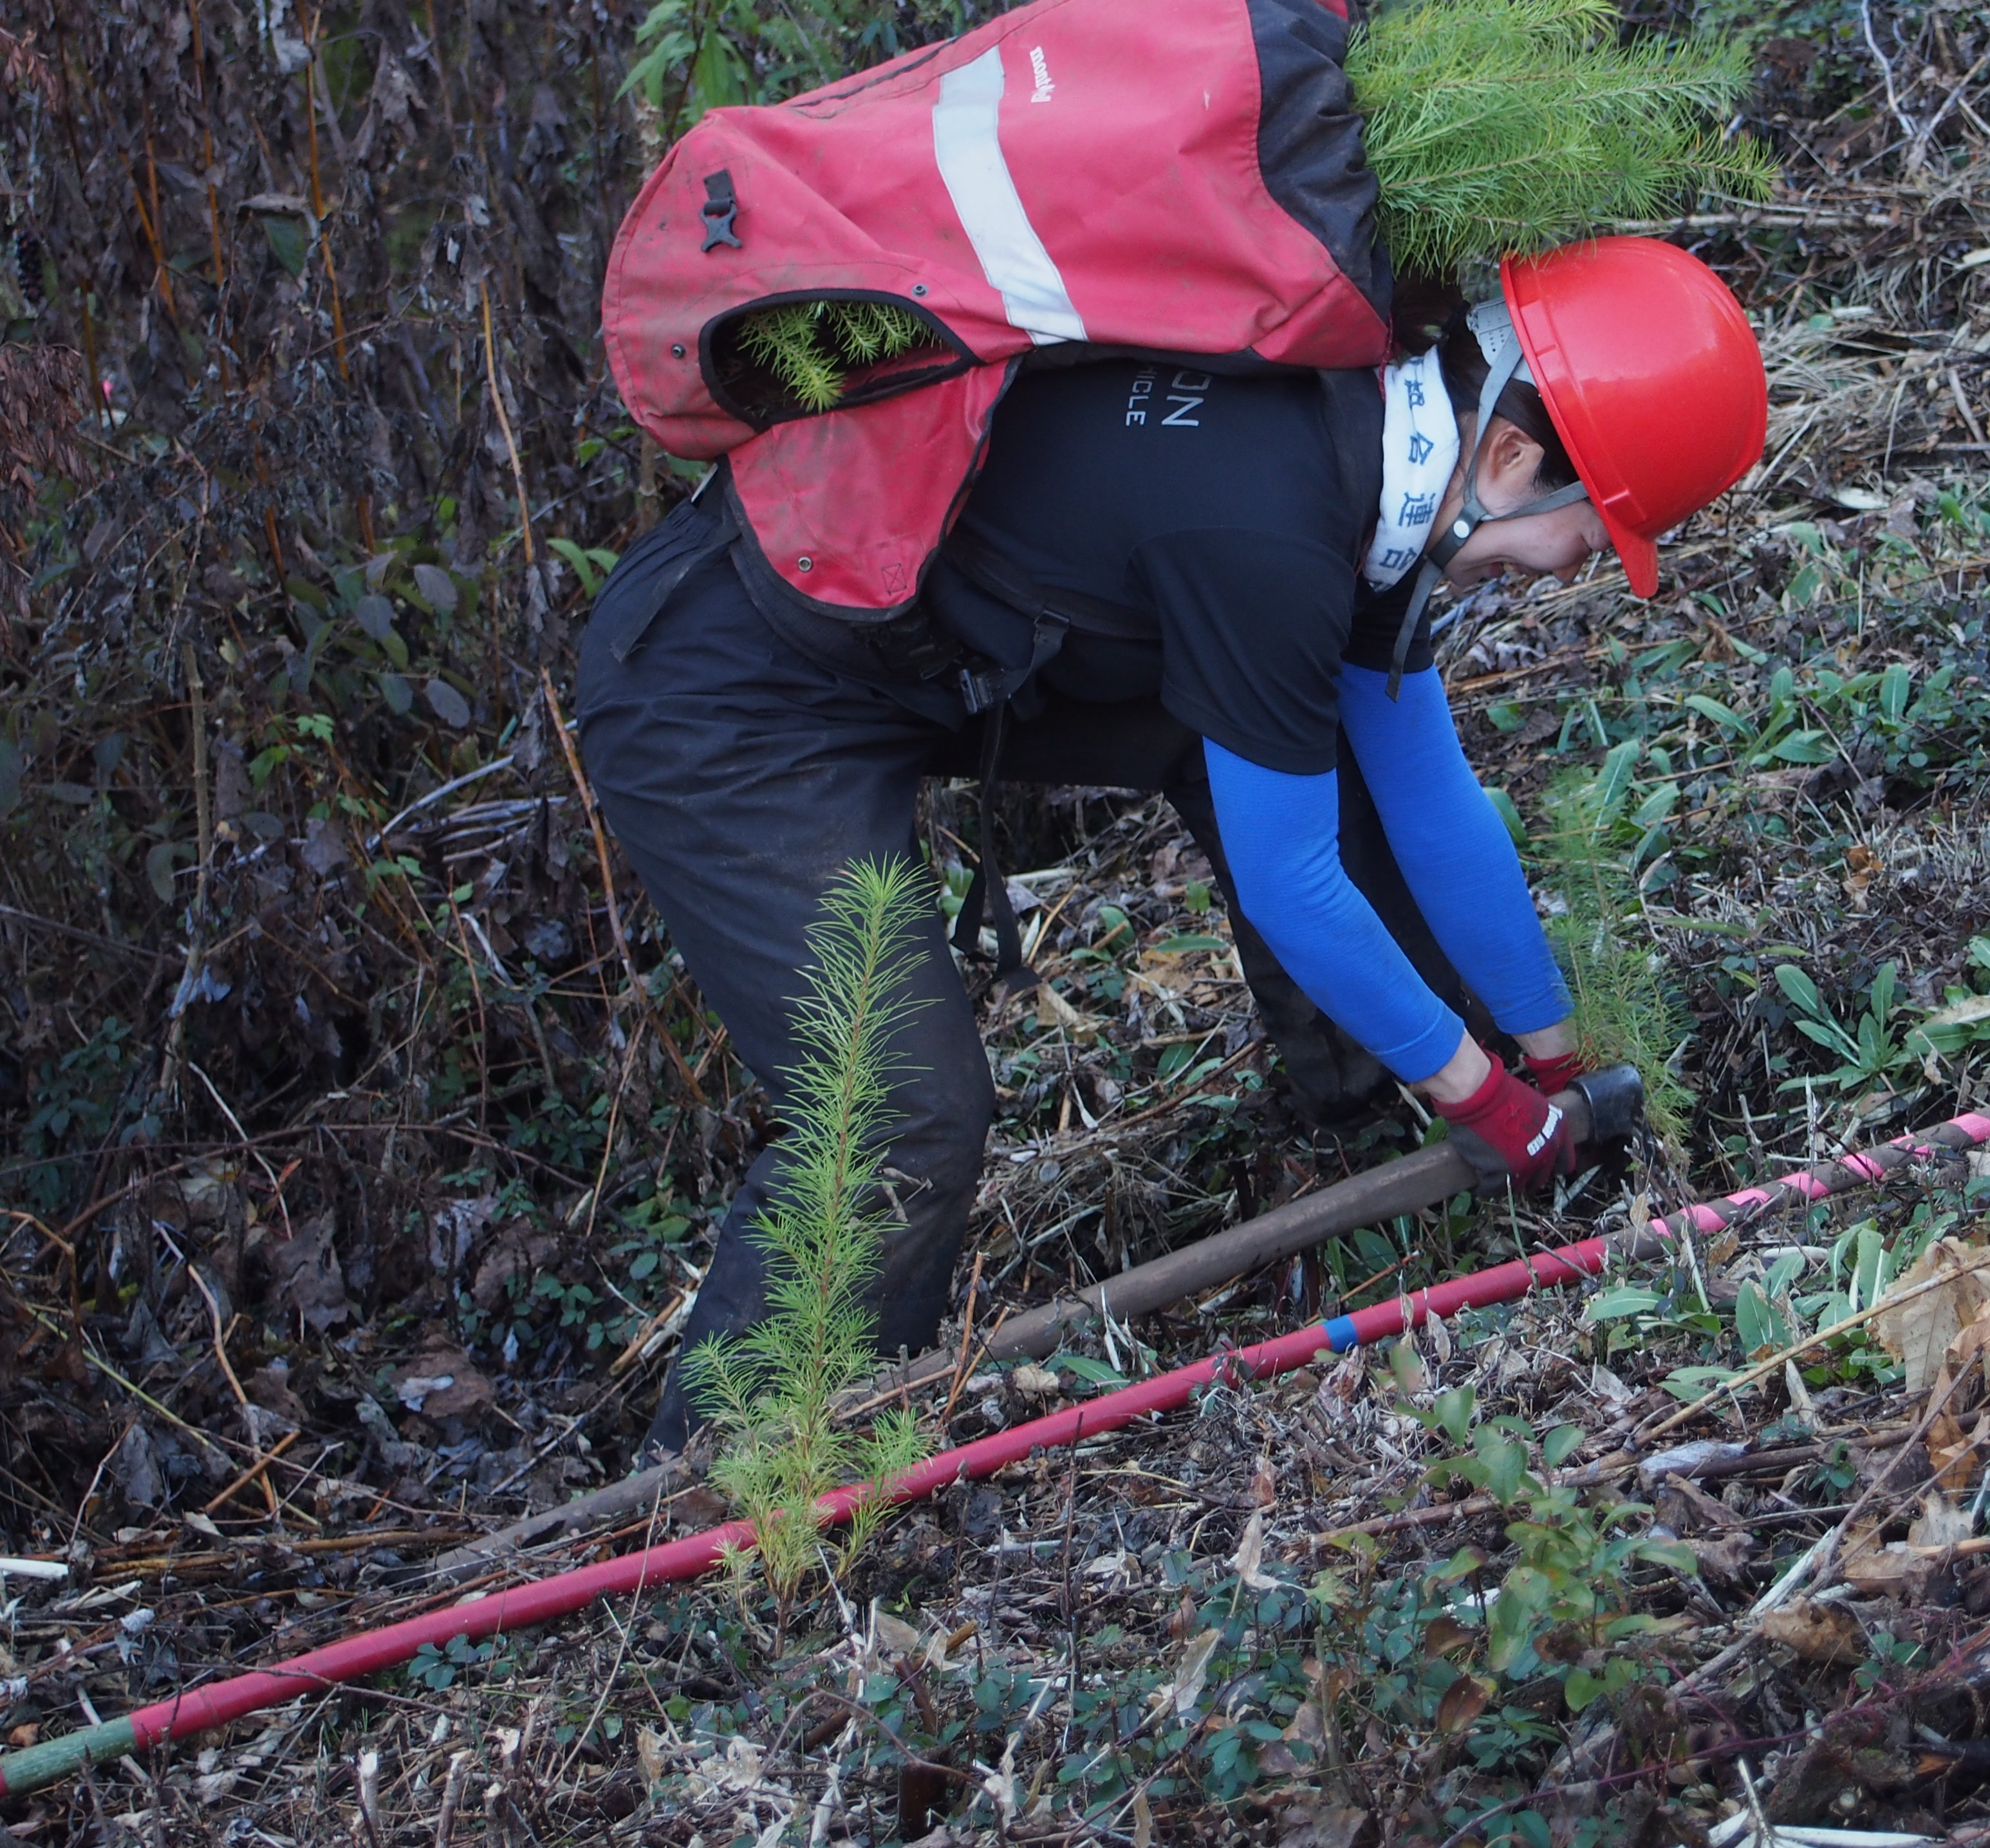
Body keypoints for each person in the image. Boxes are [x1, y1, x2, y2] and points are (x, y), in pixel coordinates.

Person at [576, 236, 1765, 1454]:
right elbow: (1294, 884)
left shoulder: (1379, 448)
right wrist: (1494, 1106)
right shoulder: (1277, 524)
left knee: (1289, 740)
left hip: (929, 652)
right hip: (725, 695)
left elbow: (1430, 796)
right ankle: (728, 1487)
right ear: (1511, 457)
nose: (1572, 572)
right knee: (900, 1113)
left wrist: (1551, 1061)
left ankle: (1370, 1143)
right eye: (1588, 538)